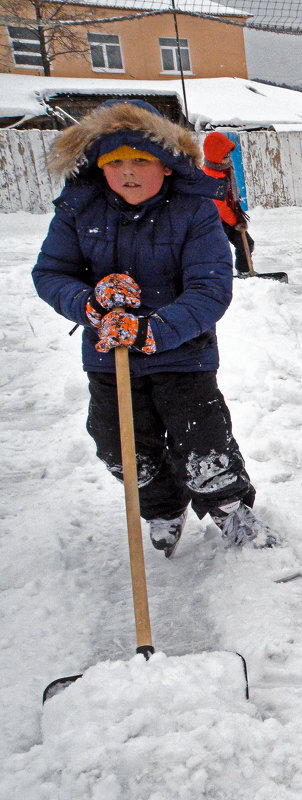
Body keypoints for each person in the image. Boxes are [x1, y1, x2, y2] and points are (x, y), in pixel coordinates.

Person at [31, 99, 274, 555]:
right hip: (108, 358)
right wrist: (91, 302)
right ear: (99, 168)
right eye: (114, 161)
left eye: (140, 160)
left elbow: (210, 289)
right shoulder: (79, 208)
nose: (127, 171)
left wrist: (152, 331)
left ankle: (230, 510)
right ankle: (163, 507)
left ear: (165, 164)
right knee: (122, 452)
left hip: (183, 354)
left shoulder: (193, 210)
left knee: (204, 448)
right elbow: (50, 274)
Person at [201, 130, 253, 276]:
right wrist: (236, 220)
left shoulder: (224, 168)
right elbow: (219, 206)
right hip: (211, 220)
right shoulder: (211, 177)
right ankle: (216, 277)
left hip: (226, 218)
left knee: (247, 244)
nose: (228, 158)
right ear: (215, 155)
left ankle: (245, 273)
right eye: (225, 156)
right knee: (219, 251)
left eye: (229, 154)